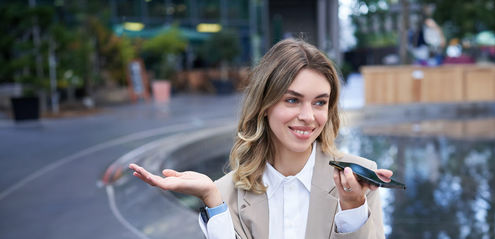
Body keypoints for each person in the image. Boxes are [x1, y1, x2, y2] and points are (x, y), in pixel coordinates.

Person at [129, 38, 393, 239]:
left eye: (319, 103)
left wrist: (352, 209)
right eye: (292, 100)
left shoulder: (359, 181)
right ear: (265, 104)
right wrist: (212, 198)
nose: (308, 116)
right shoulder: (225, 193)